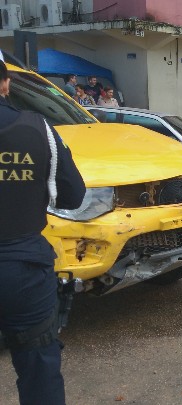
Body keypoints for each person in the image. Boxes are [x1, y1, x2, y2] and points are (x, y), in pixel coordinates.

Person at [0, 59, 86, 404]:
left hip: (23, 262)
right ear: (5, 84)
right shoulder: (41, 129)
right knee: (39, 370)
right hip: (23, 269)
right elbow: (73, 195)